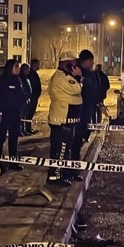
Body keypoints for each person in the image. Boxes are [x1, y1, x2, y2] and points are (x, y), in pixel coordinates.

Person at [47, 52, 83, 186]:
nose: (76, 66)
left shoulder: (64, 76)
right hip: (62, 120)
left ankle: (60, 174)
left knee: (64, 149)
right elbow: (77, 89)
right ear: (67, 63)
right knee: (61, 150)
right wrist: (78, 77)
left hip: (65, 119)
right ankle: (55, 176)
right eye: (73, 64)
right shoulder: (61, 78)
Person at [0, 59, 28, 171]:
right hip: (4, 114)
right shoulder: (2, 81)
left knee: (14, 138)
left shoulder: (18, 80)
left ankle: (13, 162)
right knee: (1, 138)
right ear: (10, 68)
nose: (18, 69)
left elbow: (21, 95)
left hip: (15, 114)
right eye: (16, 66)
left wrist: (24, 101)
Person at [72, 50, 99, 159]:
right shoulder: (76, 72)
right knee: (73, 144)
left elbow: (93, 91)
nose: (93, 64)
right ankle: (69, 171)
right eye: (91, 61)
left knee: (77, 143)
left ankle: (74, 171)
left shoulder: (89, 74)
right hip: (78, 113)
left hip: (86, 111)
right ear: (86, 61)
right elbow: (76, 90)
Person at [25, 59, 43, 134]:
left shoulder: (34, 74)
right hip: (32, 98)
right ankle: (27, 128)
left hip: (34, 97)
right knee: (29, 114)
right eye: (38, 64)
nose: (39, 66)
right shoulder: (31, 74)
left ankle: (28, 127)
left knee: (31, 114)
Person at [19, 63, 34, 136]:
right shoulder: (20, 79)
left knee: (24, 116)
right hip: (22, 101)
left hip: (27, 100)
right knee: (21, 116)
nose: (28, 71)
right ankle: (20, 130)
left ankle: (23, 129)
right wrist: (25, 97)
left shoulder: (26, 78)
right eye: (27, 70)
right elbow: (22, 90)